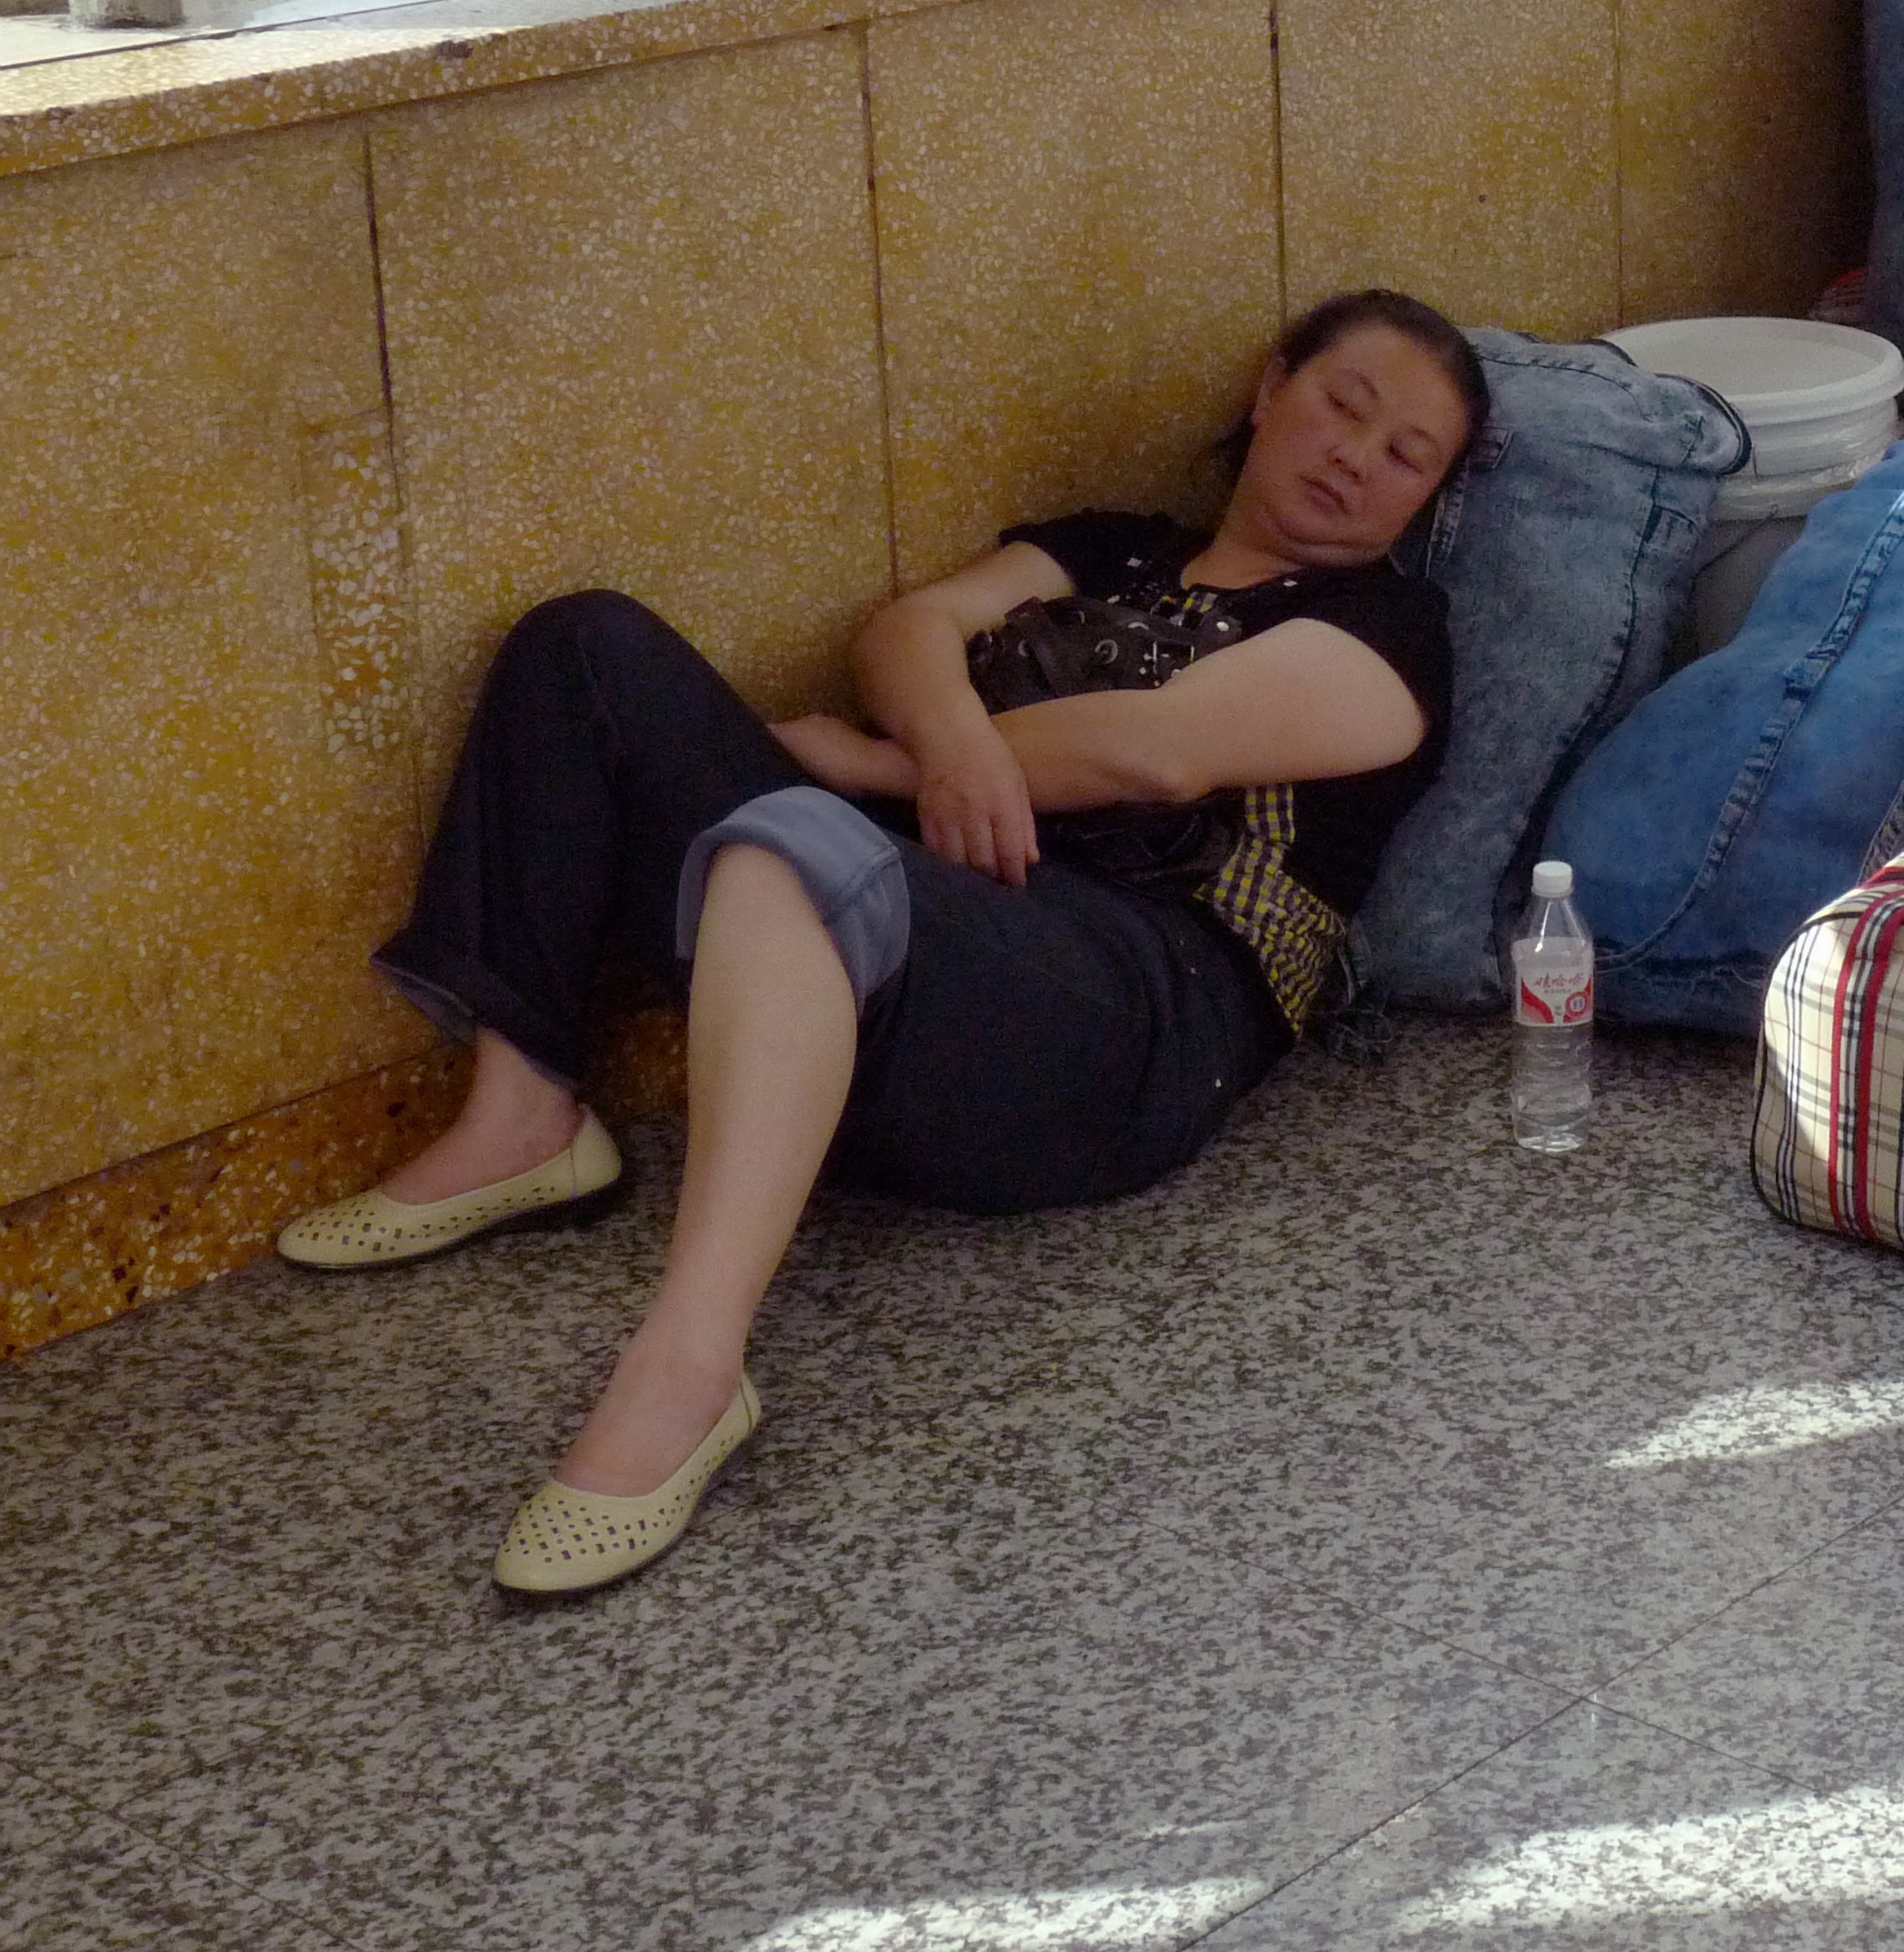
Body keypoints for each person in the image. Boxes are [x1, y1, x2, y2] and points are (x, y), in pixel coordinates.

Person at [277, 288, 1485, 1593]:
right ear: (1269, 388)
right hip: (895, 919)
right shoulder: (1116, 546)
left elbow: (1158, 746)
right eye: (1341, 403)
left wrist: (882, 765)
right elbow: (908, 627)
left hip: (1127, 1011)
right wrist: (951, 748)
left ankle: (686, 1369)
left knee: (788, 843)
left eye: (1406, 453)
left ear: (1422, 501)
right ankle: (526, 1115)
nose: (1357, 453)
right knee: (584, 650)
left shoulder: (1390, 637)